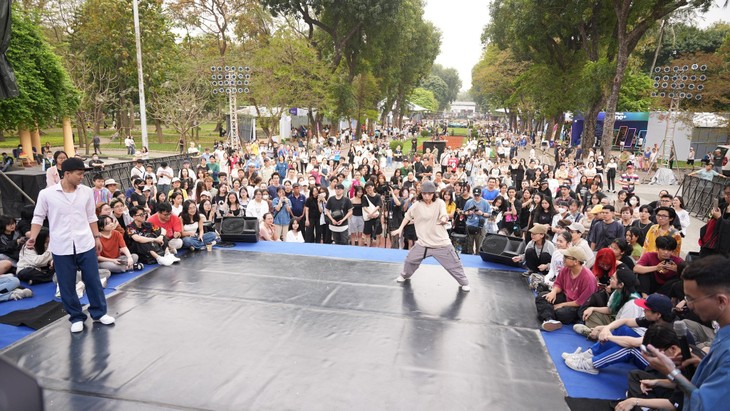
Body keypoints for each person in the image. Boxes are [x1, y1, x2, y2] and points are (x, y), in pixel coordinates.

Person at [26, 157, 115, 333]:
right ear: (67, 174)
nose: (82, 177)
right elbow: (38, 217)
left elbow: (91, 216)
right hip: (61, 246)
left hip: (85, 243)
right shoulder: (47, 194)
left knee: (93, 280)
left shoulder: (86, 192)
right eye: (79, 174)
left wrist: (97, 237)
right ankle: (76, 317)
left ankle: (99, 313)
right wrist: (33, 238)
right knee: (66, 284)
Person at [643, 255, 730, 410]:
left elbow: (705, 404)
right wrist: (702, 365)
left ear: (721, 301)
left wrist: (671, 372)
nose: (688, 305)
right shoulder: (723, 332)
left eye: (692, 299)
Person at [391, 181, 470, 292]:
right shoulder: (417, 205)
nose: (427, 196)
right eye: (424, 194)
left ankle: (464, 282)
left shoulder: (439, 202)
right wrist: (400, 228)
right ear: (421, 193)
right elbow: (407, 216)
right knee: (410, 260)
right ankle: (404, 275)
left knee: (454, 264)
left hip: (441, 243)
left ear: (434, 193)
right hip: (423, 243)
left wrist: (443, 218)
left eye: (429, 194)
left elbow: (443, 213)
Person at [536, 246, 597, 331]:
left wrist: (561, 305)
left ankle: (546, 313)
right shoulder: (566, 269)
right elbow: (558, 284)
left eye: (566, 257)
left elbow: (581, 302)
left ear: (576, 261)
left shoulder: (588, 278)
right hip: (565, 297)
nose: (563, 259)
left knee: (562, 314)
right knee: (542, 297)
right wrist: (553, 292)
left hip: (577, 305)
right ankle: (549, 319)